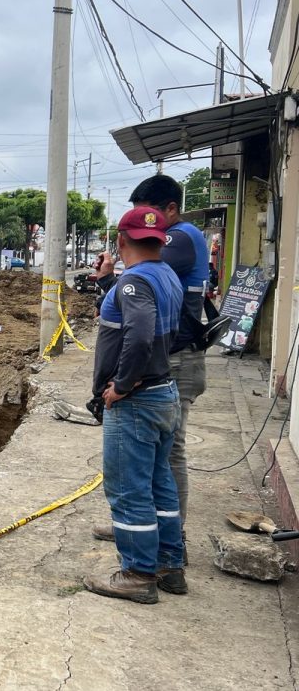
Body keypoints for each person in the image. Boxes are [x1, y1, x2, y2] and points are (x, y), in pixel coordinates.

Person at [92, 175, 210, 542]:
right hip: (167, 362)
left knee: (163, 457)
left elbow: (139, 325)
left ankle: (161, 536)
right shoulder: (159, 267)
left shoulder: (180, 239)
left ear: (171, 210)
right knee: (154, 460)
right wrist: (109, 281)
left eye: (151, 214)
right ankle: (157, 534)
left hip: (167, 365)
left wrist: (123, 384)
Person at [83, 205, 185, 604]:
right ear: (160, 241)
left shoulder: (133, 283)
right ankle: (168, 564)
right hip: (162, 392)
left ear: (121, 241)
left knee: (128, 490)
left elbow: (140, 335)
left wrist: (121, 385)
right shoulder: (168, 276)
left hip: (138, 402)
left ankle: (138, 573)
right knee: (161, 484)